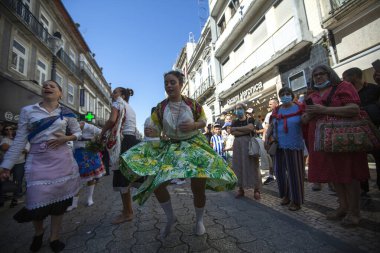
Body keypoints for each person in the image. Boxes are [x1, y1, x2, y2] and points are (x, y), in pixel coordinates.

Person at [119, 70, 237, 238]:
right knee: (157, 184)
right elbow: (155, 129)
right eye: (166, 83)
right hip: (172, 147)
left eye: (172, 82)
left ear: (181, 85)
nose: (168, 85)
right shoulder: (161, 107)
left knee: (198, 187)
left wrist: (194, 126)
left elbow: (204, 121)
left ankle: (199, 221)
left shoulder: (193, 104)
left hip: (194, 145)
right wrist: (152, 131)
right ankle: (170, 217)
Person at [0, 80, 81, 252]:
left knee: (59, 203)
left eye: (53, 85)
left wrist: (66, 138)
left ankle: (54, 237)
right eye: (45, 85)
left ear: (60, 94)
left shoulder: (67, 113)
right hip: (37, 161)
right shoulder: (28, 111)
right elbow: (20, 141)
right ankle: (39, 231)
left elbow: (78, 133)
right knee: (35, 201)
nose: (47, 87)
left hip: (62, 160)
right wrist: (6, 166)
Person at [302, 65, 369, 226]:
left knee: (349, 174)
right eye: (315, 75)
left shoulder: (343, 86)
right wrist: (310, 114)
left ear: (329, 74)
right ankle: (343, 207)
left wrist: (324, 109)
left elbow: (353, 109)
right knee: (334, 175)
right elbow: (304, 119)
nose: (318, 77)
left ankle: (354, 212)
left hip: (343, 138)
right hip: (323, 141)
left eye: (321, 73)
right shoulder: (312, 95)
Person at [100, 87, 137, 224]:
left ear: (121, 95)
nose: (112, 94)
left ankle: (128, 212)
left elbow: (111, 120)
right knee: (124, 177)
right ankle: (127, 210)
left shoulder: (117, 104)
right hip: (131, 141)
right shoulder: (129, 107)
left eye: (115, 92)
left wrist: (102, 132)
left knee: (122, 178)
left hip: (122, 142)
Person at [342, 67, 380, 192]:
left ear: (354, 76)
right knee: (358, 159)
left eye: (345, 77)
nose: (344, 80)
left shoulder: (374, 89)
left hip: (374, 128)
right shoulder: (346, 93)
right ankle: (363, 186)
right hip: (355, 130)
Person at [271, 87, 305, 211]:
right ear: (280, 97)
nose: (285, 96)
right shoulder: (277, 109)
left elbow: (305, 121)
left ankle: (296, 200)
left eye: (287, 94)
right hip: (278, 144)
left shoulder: (299, 107)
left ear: (291, 95)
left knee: (294, 173)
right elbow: (272, 124)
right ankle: (286, 195)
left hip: (294, 143)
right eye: (282, 94)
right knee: (279, 171)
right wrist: (267, 139)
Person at [67, 122, 105, 211]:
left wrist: (96, 140)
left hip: (90, 154)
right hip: (78, 155)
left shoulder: (90, 127)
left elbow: (102, 132)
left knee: (91, 178)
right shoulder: (71, 129)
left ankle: (89, 198)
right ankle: (74, 203)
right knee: (76, 180)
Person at [231, 103, 262, 200]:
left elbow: (251, 128)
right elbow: (232, 132)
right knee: (238, 166)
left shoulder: (250, 119)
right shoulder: (234, 121)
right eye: (236, 109)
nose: (238, 110)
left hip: (249, 145)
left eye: (240, 108)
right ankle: (241, 189)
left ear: (244, 110)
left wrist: (237, 129)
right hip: (238, 146)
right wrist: (244, 130)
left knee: (253, 165)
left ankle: (256, 189)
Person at [0, 125, 30, 208]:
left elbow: (26, 150)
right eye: (7, 129)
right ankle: (1, 199)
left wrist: (13, 148)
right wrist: (18, 148)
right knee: (3, 179)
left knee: (18, 181)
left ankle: (15, 199)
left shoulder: (24, 139)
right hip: (7, 163)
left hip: (19, 163)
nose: (9, 130)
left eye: (11, 129)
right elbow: (3, 147)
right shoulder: (5, 139)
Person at [262, 98, 279, 185]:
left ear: (276, 104)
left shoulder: (281, 112)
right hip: (272, 141)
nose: (269, 106)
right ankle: (271, 176)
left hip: (281, 140)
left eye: (270, 104)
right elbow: (266, 127)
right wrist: (265, 139)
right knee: (271, 158)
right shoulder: (269, 115)